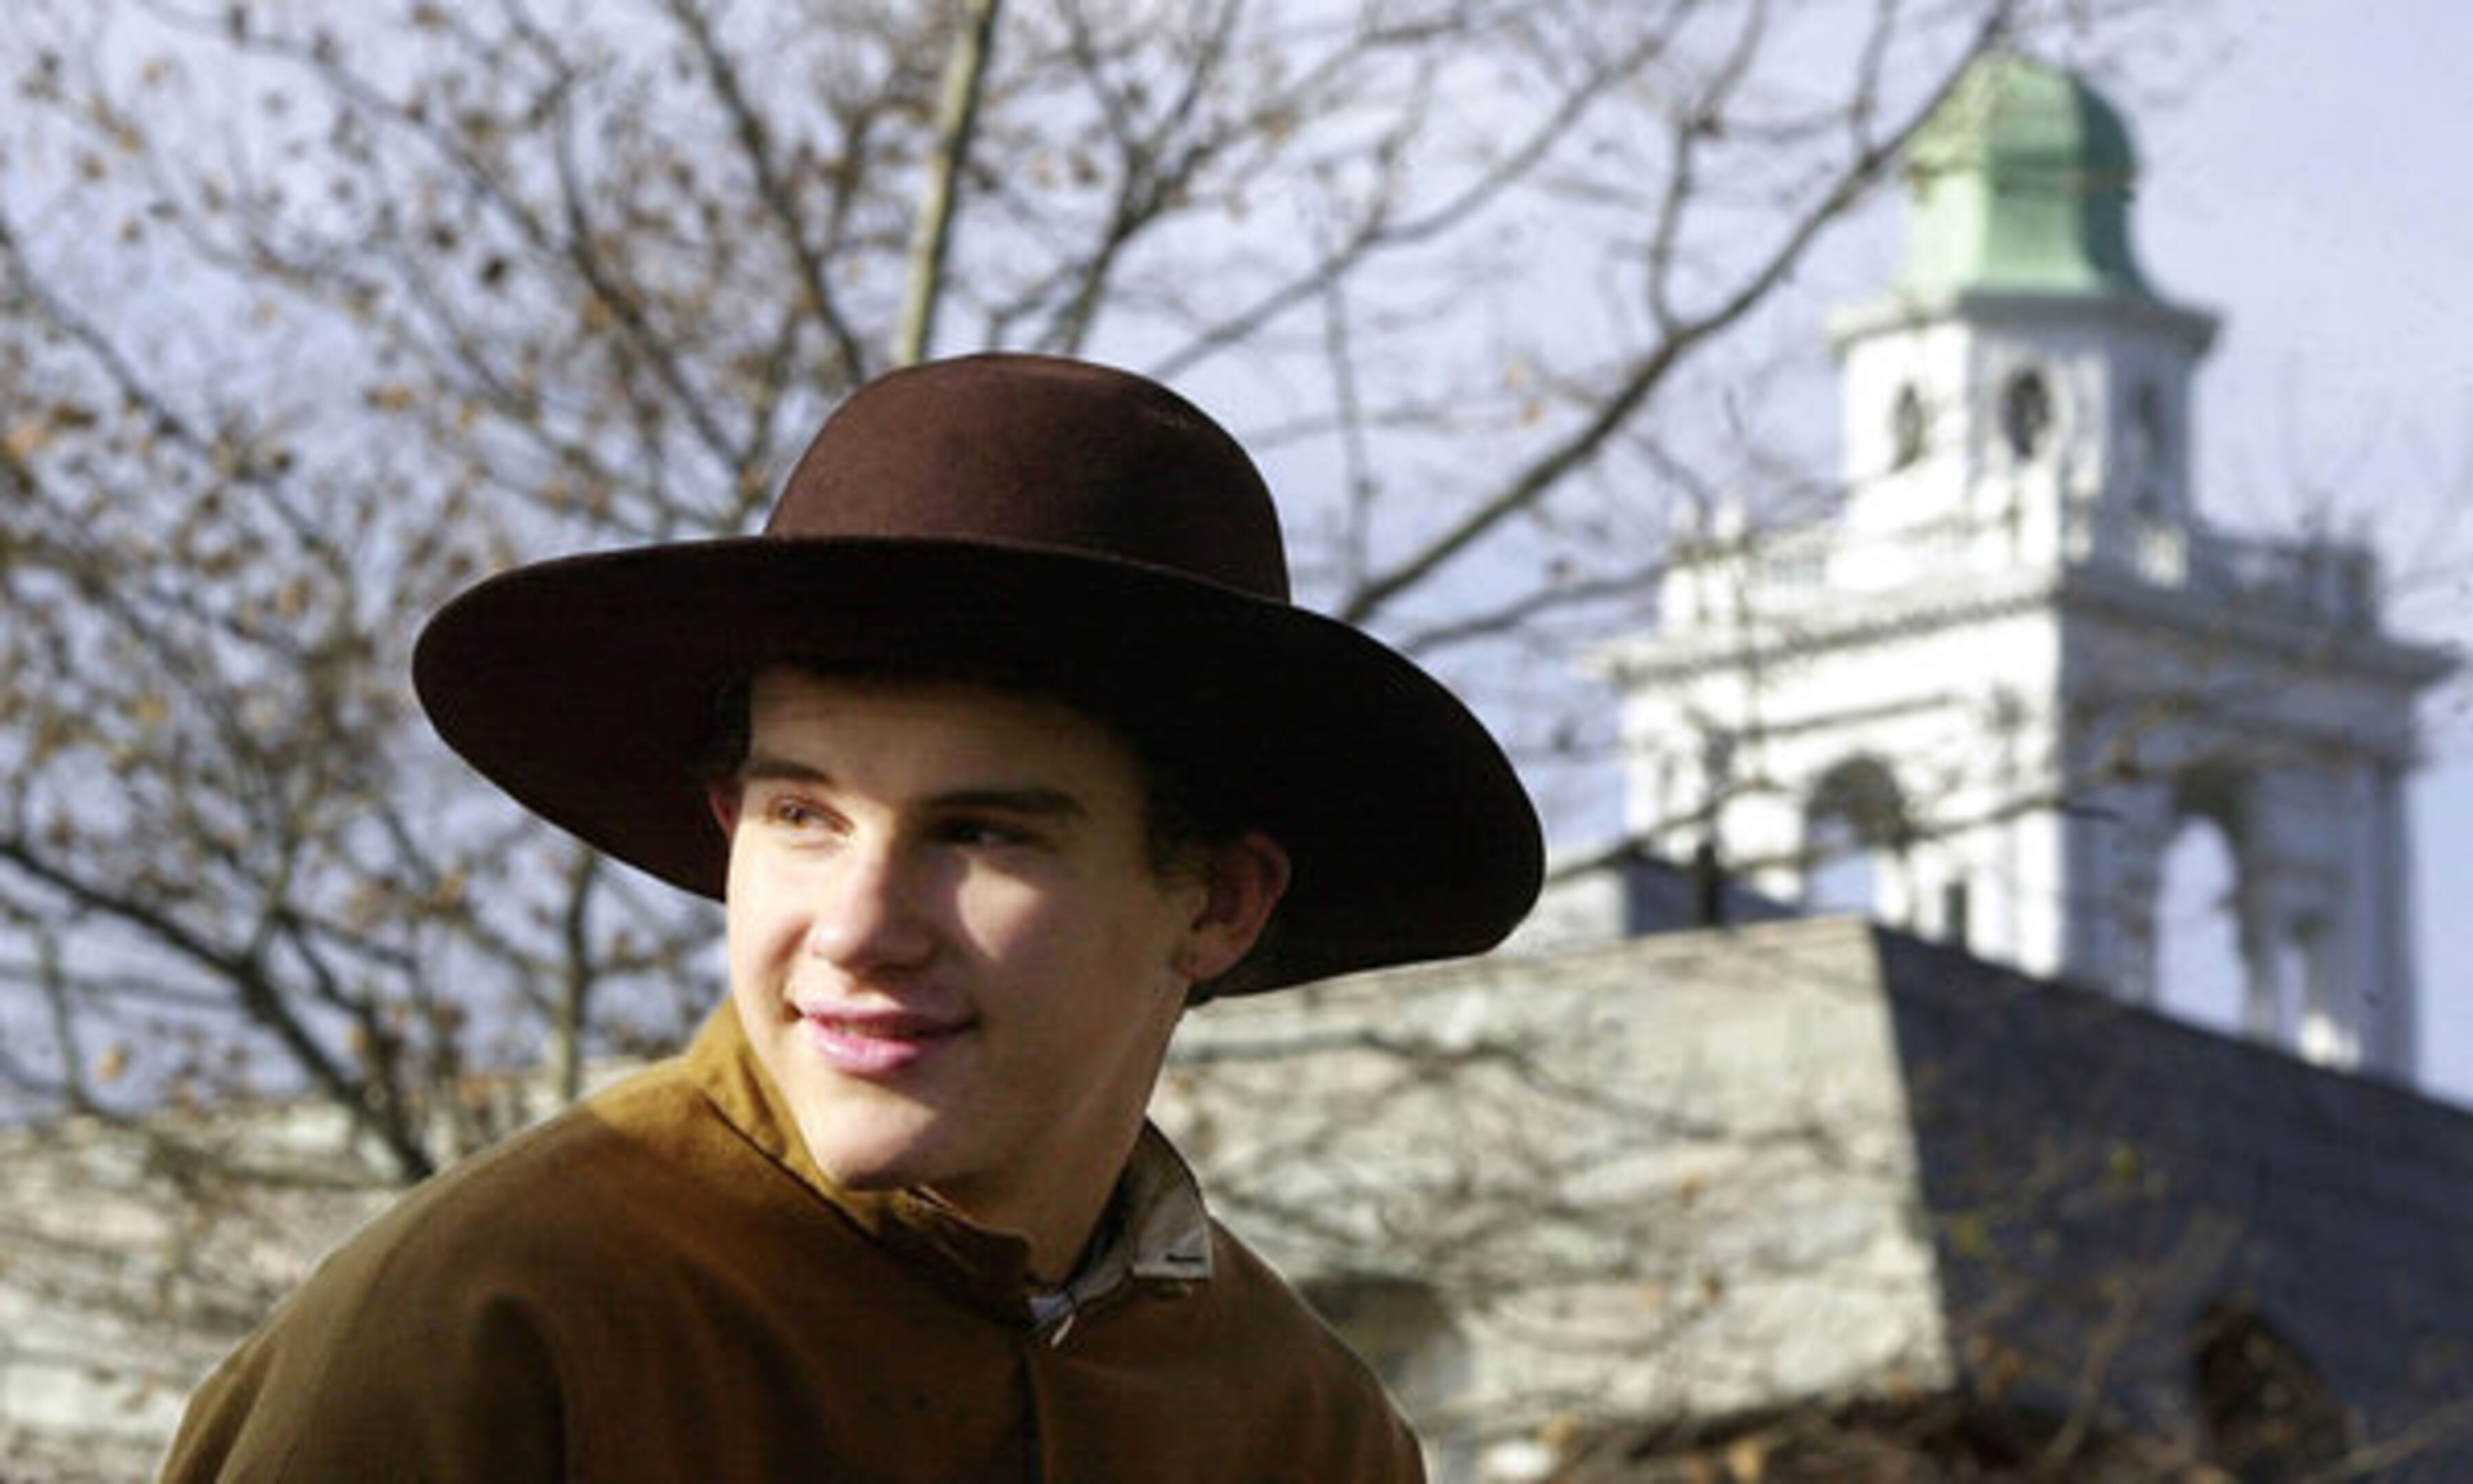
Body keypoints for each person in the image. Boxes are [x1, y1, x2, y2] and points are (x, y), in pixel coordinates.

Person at [161, 353, 1543, 1482]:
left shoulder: (1308, 1436)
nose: (857, 926)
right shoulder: (487, 1330)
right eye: (802, 816)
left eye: (984, 833)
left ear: (1219, 902)